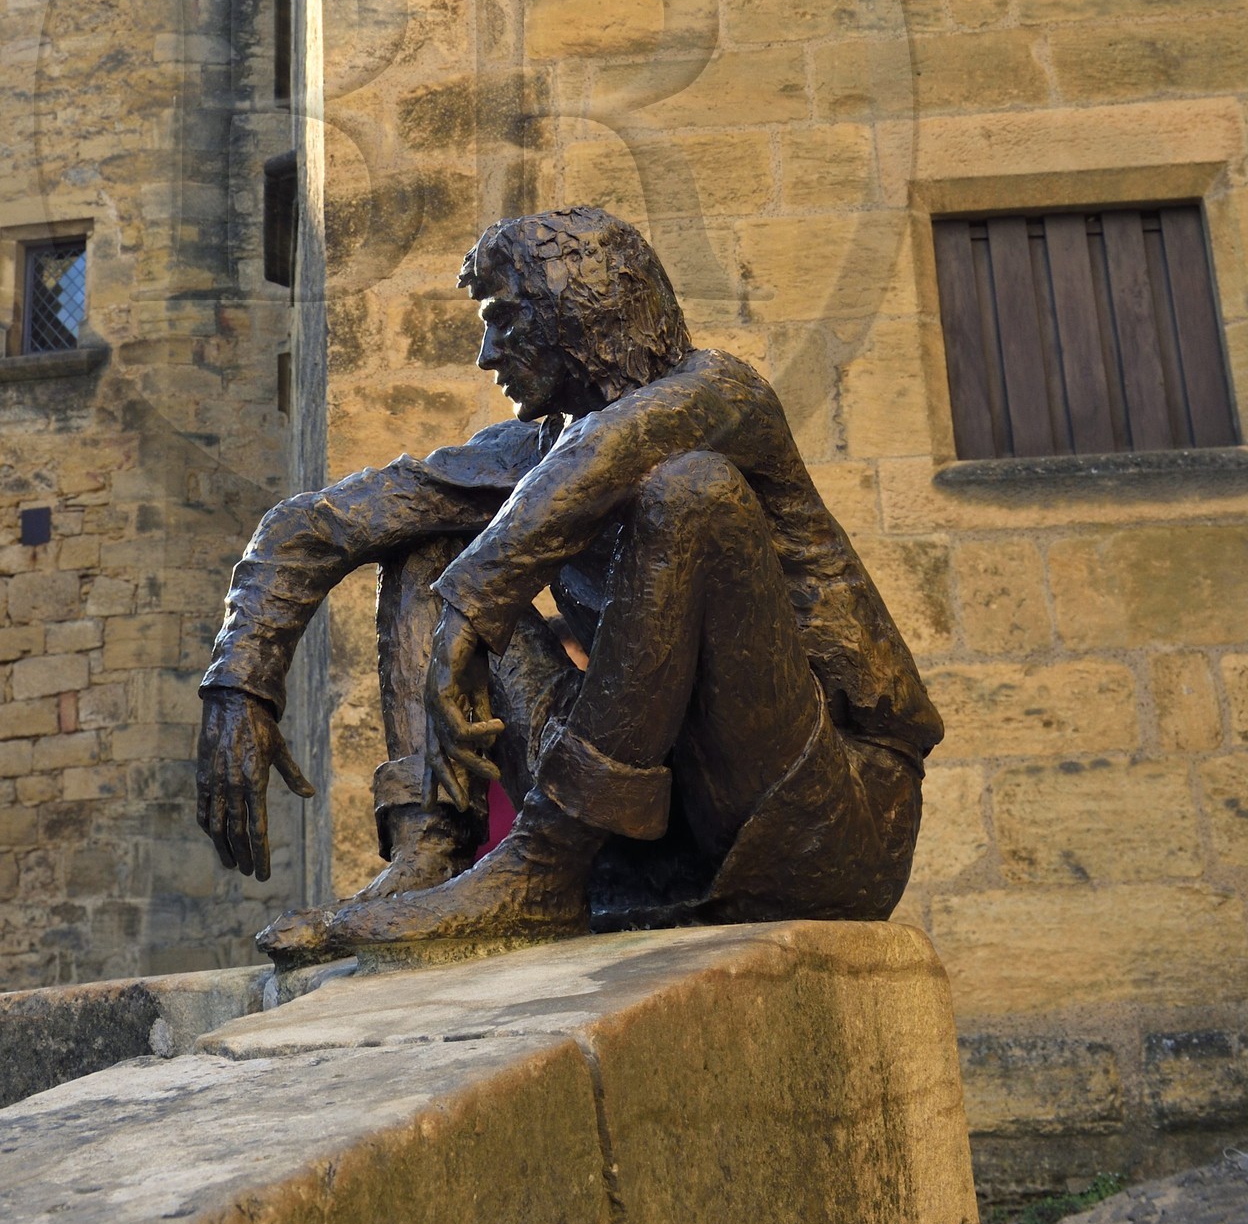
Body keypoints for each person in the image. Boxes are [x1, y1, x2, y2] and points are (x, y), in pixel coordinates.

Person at [195, 208, 942, 960]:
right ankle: (429, 857)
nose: (487, 356)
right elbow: (315, 523)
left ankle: (541, 868)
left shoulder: (722, 393)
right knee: (425, 545)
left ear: (577, 315)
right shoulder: (535, 451)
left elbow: (612, 450)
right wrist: (241, 685)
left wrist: (467, 617)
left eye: (505, 323)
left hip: (823, 820)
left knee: (691, 492)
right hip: (652, 840)